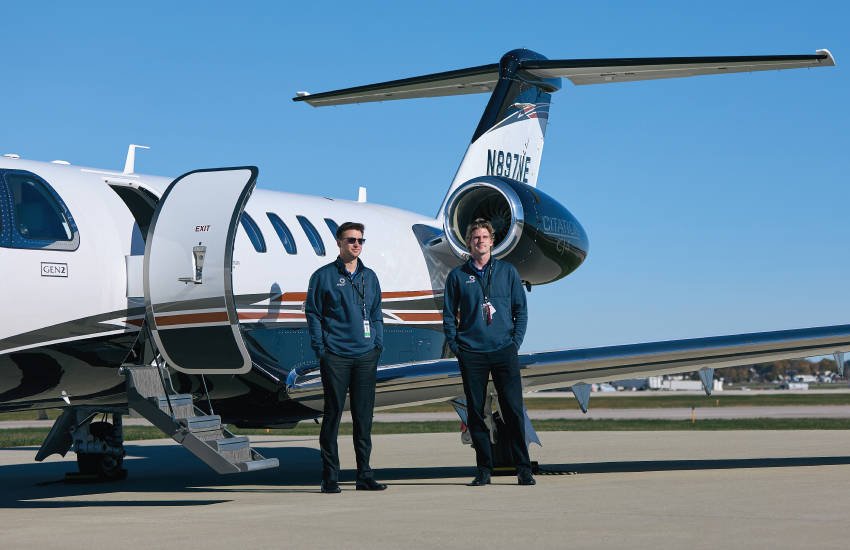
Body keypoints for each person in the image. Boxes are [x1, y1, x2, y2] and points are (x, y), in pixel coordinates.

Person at [442, 218, 534, 486]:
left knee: (513, 411)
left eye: (484, 237)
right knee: (476, 413)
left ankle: (523, 469)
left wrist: (515, 343)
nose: (480, 241)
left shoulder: (508, 271)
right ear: (469, 243)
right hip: (472, 353)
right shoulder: (457, 276)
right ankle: (483, 469)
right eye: (475, 238)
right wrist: (458, 348)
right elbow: (448, 316)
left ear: (492, 242)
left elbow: (521, 310)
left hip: (504, 350)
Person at [306, 221, 386, 493]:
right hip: (336, 356)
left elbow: (376, 313)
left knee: (364, 418)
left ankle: (364, 475)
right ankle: (330, 478)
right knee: (333, 416)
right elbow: (313, 314)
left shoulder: (370, 276)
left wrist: (377, 345)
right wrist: (321, 350)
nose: (356, 244)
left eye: (360, 240)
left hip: (366, 356)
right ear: (339, 243)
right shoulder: (323, 276)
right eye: (351, 240)